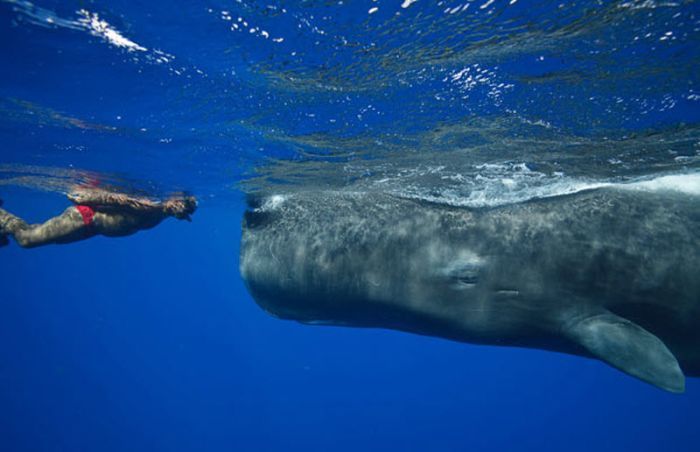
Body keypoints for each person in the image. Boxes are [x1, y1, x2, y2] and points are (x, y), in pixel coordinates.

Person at [0, 188, 197, 249]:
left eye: (186, 210)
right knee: (27, 239)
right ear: (174, 199)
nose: (182, 210)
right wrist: (93, 197)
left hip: (89, 229)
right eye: (182, 205)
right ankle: (4, 219)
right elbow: (122, 201)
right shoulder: (152, 206)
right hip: (86, 218)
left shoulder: (162, 213)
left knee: (40, 234)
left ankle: (4, 226)